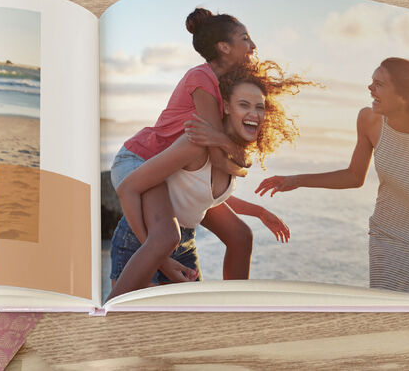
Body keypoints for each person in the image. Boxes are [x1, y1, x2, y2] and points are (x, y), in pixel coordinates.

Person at [256, 58, 409, 301]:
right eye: (372, 83)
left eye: (379, 84)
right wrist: (296, 180)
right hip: (387, 241)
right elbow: (353, 176)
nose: (370, 89)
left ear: (404, 96)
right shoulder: (369, 121)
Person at [108, 64, 304, 300]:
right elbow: (129, 187)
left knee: (192, 329)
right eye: (244, 104)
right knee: (129, 325)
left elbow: (205, 196)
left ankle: (235, 313)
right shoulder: (196, 143)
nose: (254, 113)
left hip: (184, 246)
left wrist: (260, 212)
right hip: (142, 242)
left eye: (259, 107)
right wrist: (160, 257)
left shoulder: (231, 155)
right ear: (227, 107)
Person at [109, 7, 269, 285]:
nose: (252, 45)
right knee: (165, 237)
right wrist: (228, 147)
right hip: (140, 158)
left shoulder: (227, 85)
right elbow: (219, 158)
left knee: (240, 235)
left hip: (171, 164)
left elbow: (226, 158)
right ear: (224, 47)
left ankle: (236, 305)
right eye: (245, 38)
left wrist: (240, 160)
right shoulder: (202, 78)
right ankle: (162, 261)